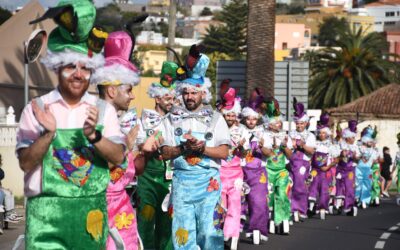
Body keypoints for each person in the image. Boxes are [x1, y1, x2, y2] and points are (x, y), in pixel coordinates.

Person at [16, 1, 125, 248]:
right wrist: (47, 135)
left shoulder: (103, 111)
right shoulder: (36, 109)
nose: (78, 74)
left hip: (90, 217)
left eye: (85, 68)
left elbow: (118, 157)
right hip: (46, 220)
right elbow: (25, 163)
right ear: (57, 67)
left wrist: (95, 137)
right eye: (70, 66)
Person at [92, 31, 158, 250]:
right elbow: (97, 168)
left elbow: (131, 171)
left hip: (122, 206)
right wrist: (126, 147)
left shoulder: (118, 121)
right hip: (100, 206)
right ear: (111, 90)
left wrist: (145, 153)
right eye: (128, 90)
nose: (131, 96)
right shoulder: (96, 119)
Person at [161, 48, 230, 250]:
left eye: (194, 92)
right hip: (182, 183)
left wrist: (202, 149)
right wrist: (183, 147)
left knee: (210, 234)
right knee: (182, 236)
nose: (190, 96)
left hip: (209, 183)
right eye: (186, 92)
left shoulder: (216, 118)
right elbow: (165, 153)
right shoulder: (171, 119)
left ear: (203, 93)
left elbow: (224, 152)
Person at [136, 61, 179, 250]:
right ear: (157, 99)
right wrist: (147, 145)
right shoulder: (144, 120)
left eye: (172, 98)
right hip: (147, 176)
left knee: (167, 221)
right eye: (167, 98)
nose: (171, 102)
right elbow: (137, 145)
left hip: (169, 177)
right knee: (145, 220)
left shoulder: (175, 121)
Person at [240, 90, 269, 244]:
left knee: (258, 201)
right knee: (237, 200)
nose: (251, 122)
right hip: (240, 170)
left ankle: (257, 228)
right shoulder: (239, 130)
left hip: (258, 171)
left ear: (257, 119)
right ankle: (233, 228)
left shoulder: (263, 132)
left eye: (253, 119)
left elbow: (269, 153)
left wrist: (263, 146)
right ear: (245, 119)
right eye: (248, 119)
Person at [260, 98, 292, 234]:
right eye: (275, 122)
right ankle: (270, 219)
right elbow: (265, 152)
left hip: (282, 171)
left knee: (282, 194)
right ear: (269, 124)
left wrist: (284, 147)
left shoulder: (285, 136)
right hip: (267, 170)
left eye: (279, 122)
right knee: (269, 197)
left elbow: (290, 156)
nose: (278, 124)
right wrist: (271, 148)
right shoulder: (264, 135)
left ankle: (283, 218)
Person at [217, 86, 244, 249]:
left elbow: (247, 153)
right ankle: (217, 234)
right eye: (228, 114)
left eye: (233, 114)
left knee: (235, 204)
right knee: (219, 206)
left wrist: (243, 147)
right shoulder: (215, 129)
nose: (231, 116)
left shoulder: (241, 131)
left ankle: (232, 234)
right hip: (219, 172)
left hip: (236, 174)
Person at [289, 98, 316, 222]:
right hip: (291, 163)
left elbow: (312, 151)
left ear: (306, 124)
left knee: (300, 186)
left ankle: (300, 209)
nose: (299, 125)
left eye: (302, 123)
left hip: (303, 164)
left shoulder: (310, 136)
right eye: (297, 123)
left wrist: (302, 145)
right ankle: (290, 209)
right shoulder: (290, 134)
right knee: (290, 186)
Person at [308, 113, 339, 219]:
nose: (321, 135)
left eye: (324, 133)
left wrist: (329, 166)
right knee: (313, 186)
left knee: (324, 189)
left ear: (327, 134)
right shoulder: (315, 143)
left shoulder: (331, 145)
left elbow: (336, 159)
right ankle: (311, 205)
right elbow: (310, 156)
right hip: (315, 170)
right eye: (320, 133)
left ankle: (323, 207)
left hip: (327, 170)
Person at [335, 120, 360, 216]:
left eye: (354, 137)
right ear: (347, 137)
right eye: (352, 137)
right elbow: (336, 157)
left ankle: (349, 206)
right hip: (340, 169)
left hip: (350, 170)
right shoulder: (341, 144)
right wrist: (341, 154)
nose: (354, 139)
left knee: (349, 187)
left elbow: (358, 158)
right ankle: (338, 204)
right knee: (339, 186)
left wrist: (354, 156)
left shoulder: (355, 146)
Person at [355, 126, 377, 209]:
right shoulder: (359, 148)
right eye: (369, 141)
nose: (370, 143)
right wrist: (358, 157)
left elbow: (375, 160)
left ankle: (364, 200)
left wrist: (374, 161)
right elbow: (356, 156)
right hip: (359, 168)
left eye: (371, 141)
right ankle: (357, 198)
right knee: (358, 184)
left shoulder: (373, 150)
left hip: (368, 169)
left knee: (367, 185)